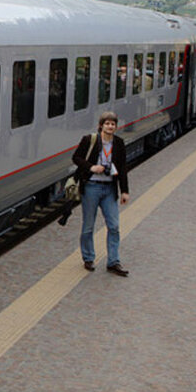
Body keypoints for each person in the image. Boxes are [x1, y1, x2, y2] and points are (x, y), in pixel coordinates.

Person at [72, 111, 130, 276]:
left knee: (114, 225)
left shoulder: (119, 143)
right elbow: (76, 158)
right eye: (107, 124)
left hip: (109, 189)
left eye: (113, 124)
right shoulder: (89, 140)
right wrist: (91, 167)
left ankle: (113, 261)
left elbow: (123, 168)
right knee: (88, 226)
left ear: (115, 127)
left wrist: (124, 191)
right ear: (101, 126)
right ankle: (88, 258)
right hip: (91, 187)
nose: (110, 126)